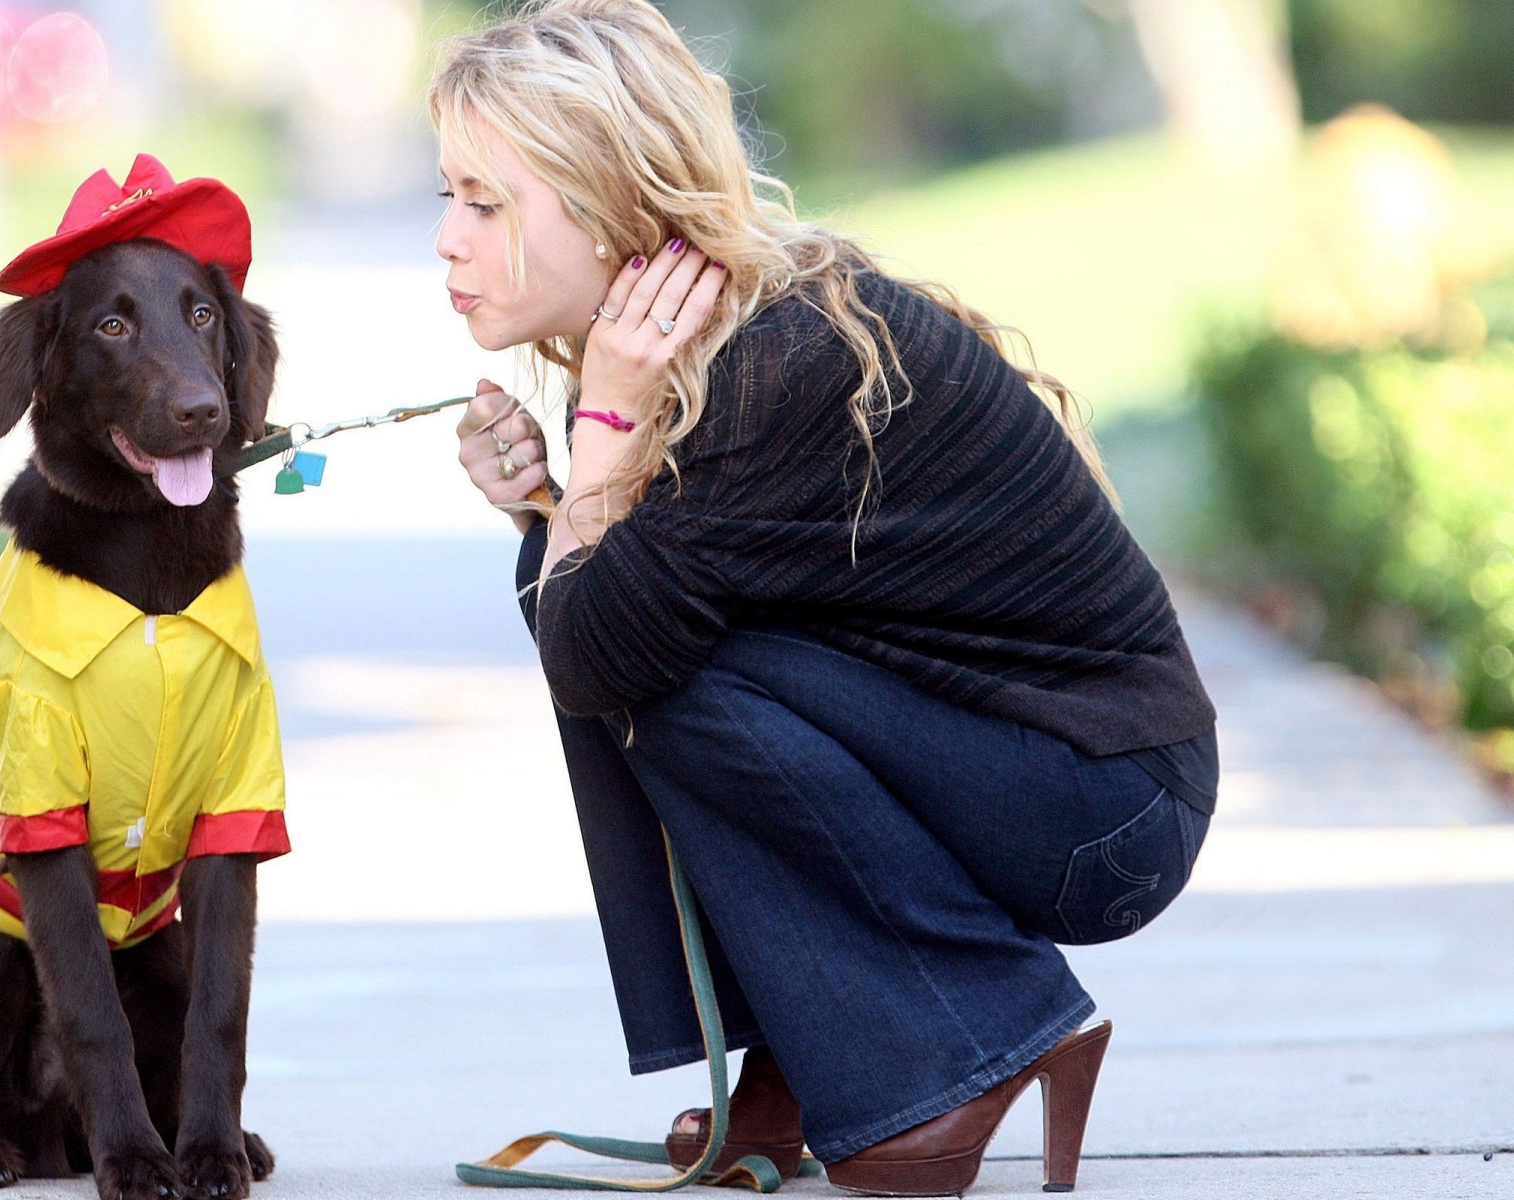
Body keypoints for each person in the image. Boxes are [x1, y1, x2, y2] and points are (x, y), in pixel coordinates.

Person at [431, 1, 1218, 1195]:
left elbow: (602, 656)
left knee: (656, 663)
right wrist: (553, 504)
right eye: (448, 196)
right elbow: (605, 618)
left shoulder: (779, 362)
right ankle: (817, 1055)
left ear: (609, 201)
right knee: (615, 613)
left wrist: (597, 446)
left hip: (1105, 807)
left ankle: (965, 1036)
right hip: (1031, 771)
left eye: (486, 203)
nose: (448, 240)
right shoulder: (723, 338)